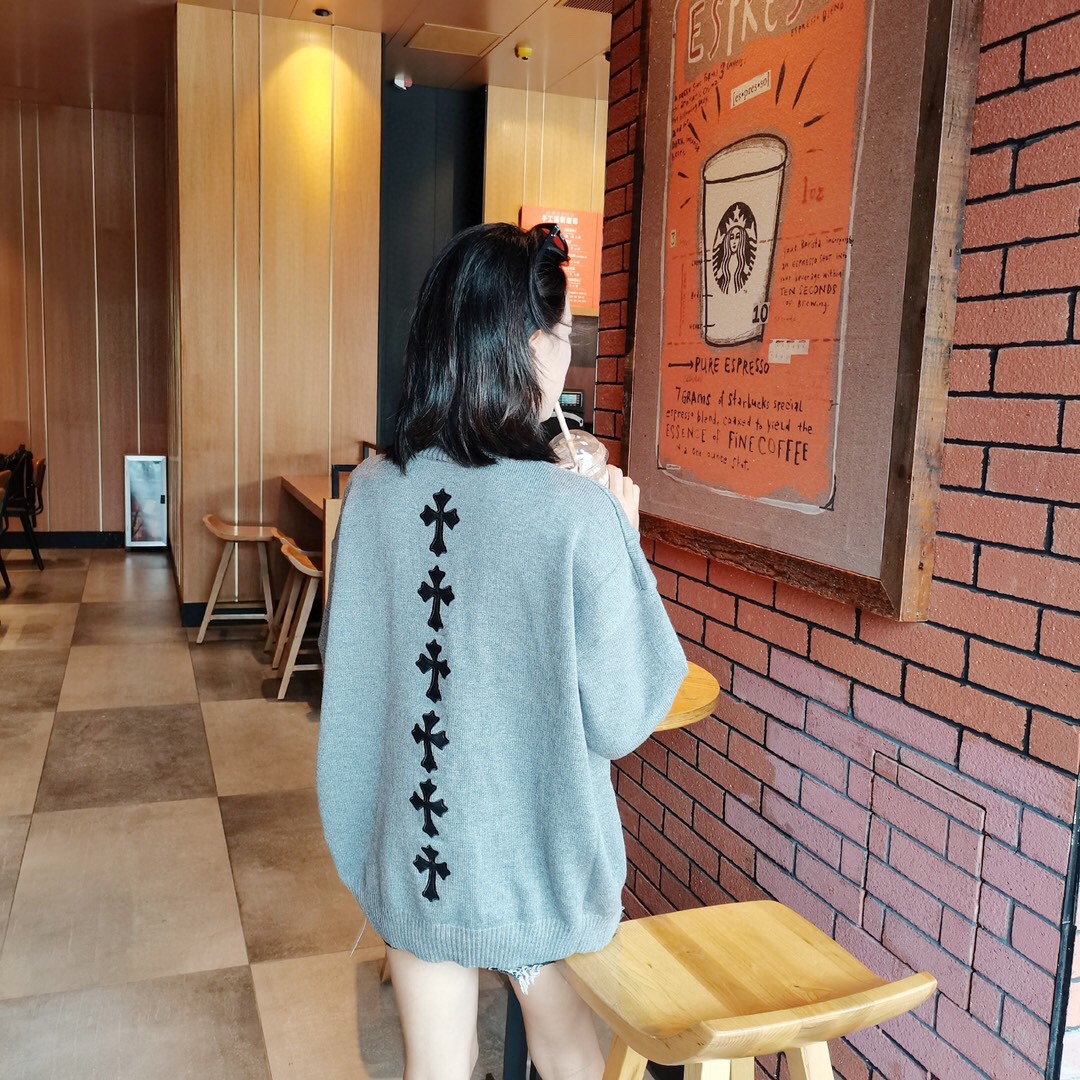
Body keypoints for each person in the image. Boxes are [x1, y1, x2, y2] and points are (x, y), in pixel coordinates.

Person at [317, 221, 687, 1080]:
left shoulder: (370, 495)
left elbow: (357, 675)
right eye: (562, 334)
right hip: (535, 865)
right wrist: (625, 539)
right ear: (529, 346)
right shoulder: (579, 513)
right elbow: (627, 712)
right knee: (571, 1061)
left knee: (434, 1066)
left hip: (418, 855)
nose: (567, 354)